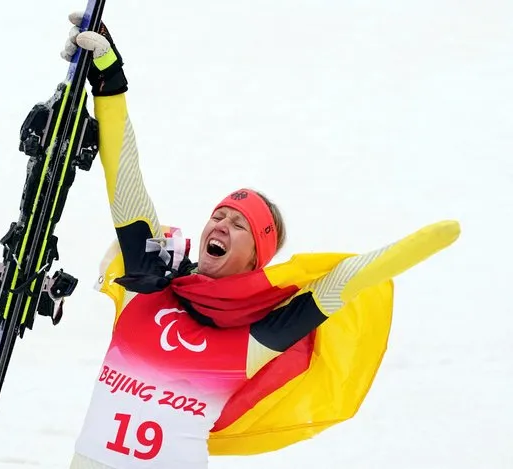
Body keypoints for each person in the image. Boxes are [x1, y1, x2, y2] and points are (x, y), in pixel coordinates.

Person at [59, 13, 461, 469]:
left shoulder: (255, 338)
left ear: (256, 258)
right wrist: (110, 81)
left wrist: (416, 247)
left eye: (239, 225)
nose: (221, 225)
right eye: (219, 215)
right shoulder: (148, 284)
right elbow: (126, 182)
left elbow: (341, 286)